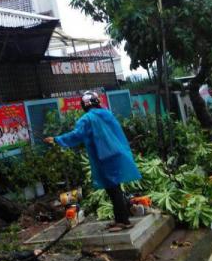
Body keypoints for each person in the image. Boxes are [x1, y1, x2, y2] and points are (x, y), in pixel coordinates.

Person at [44, 91, 141, 232]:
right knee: (115, 189)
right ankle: (120, 219)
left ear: (84, 105)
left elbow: (77, 135)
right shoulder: (107, 114)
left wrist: (57, 139)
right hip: (116, 155)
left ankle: (124, 221)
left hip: (104, 158)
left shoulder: (87, 119)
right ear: (97, 102)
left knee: (113, 190)